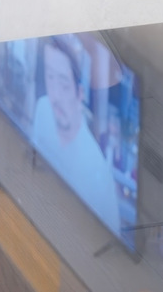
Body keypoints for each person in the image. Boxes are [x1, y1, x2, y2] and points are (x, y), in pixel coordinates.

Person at [32, 37, 121, 237]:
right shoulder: (43, 108)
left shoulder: (96, 170)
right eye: (50, 78)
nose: (55, 96)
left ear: (80, 93)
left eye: (64, 85)